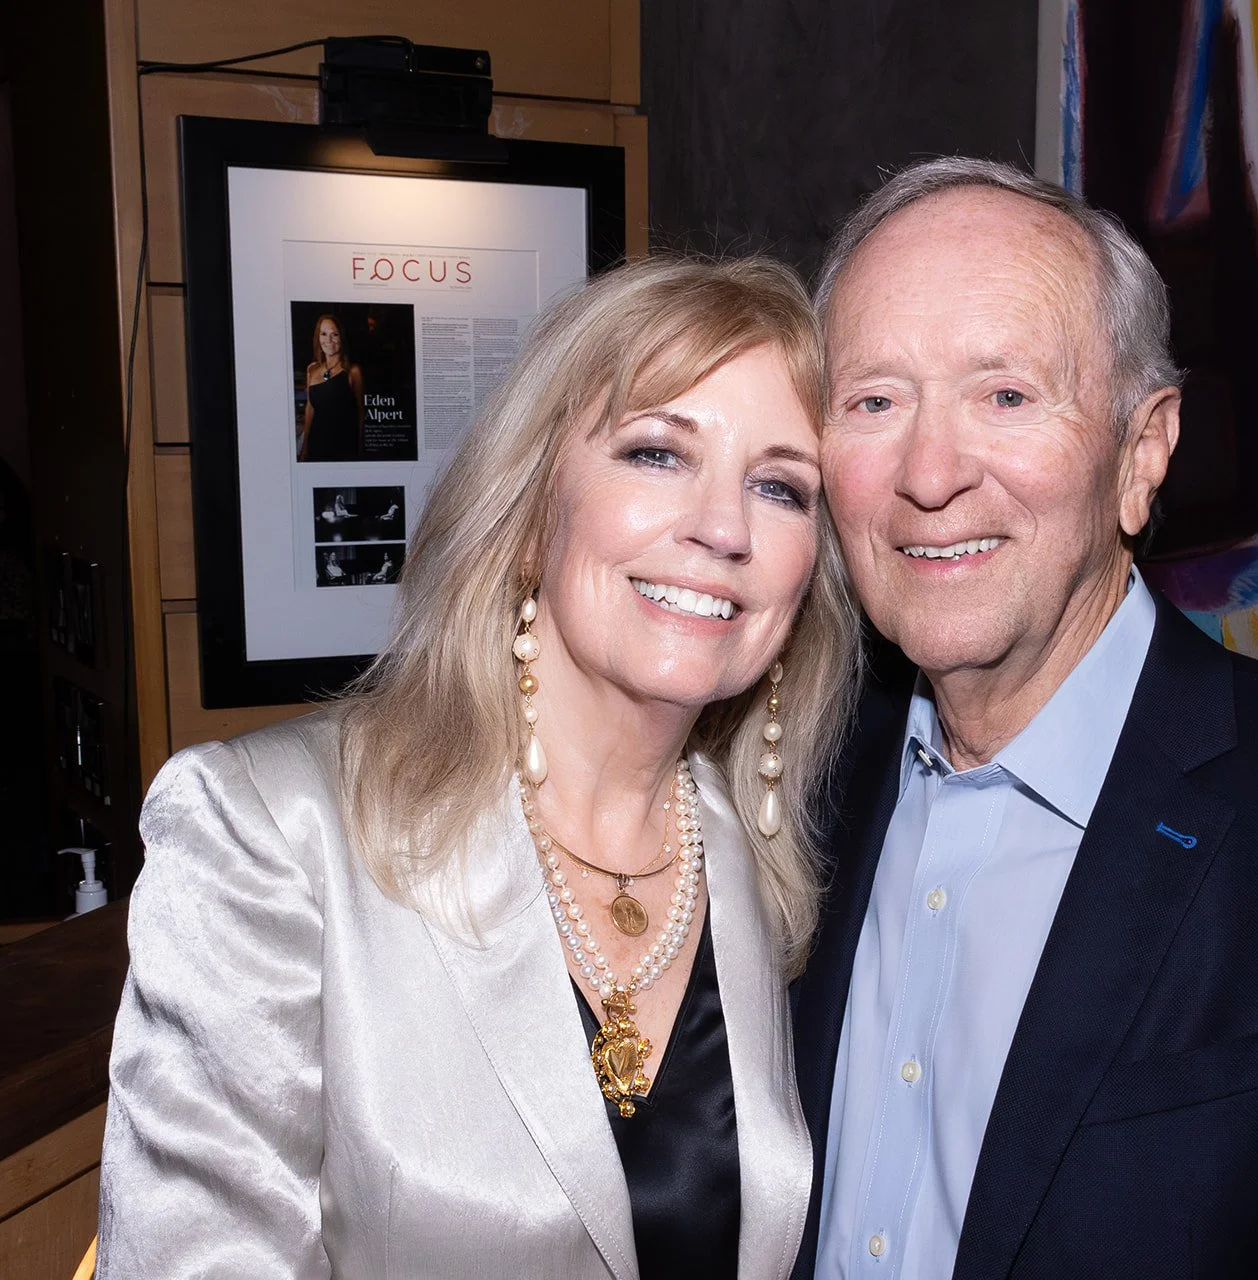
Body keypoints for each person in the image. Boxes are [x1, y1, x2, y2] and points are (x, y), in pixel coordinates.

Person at [791, 158, 1258, 1278]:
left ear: (1142, 454)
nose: (929, 472)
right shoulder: (790, 782)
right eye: (874, 400)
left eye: (1004, 394)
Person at [100, 255, 860, 1278]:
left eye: (778, 486)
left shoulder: (759, 866)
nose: (724, 527)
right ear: (529, 506)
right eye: (654, 453)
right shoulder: (270, 832)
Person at [298, 313, 365, 461]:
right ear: (318, 338)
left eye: (334, 334)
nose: (328, 340)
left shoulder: (353, 372)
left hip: (343, 447)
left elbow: (361, 413)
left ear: (341, 337)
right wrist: (305, 447)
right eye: (323, 334)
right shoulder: (312, 369)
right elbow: (310, 408)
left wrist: (359, 451)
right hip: (316, 445)